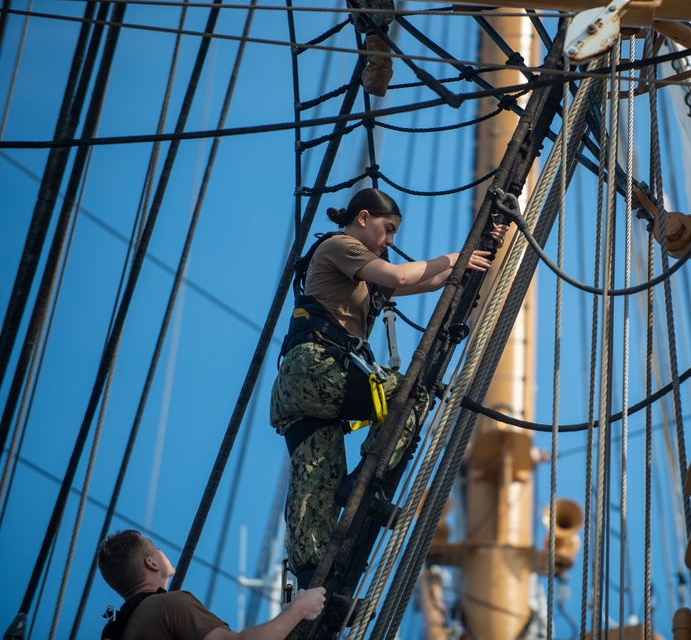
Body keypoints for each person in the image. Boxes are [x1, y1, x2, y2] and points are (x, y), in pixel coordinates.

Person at [269, 187, 505, 588]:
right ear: (363, 218)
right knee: (411, 393)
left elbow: (431, 282)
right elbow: (399, 275)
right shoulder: (342, 246)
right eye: (387, 229)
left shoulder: (359, 270)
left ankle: (312, 582)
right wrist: (455, 256)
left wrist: (479, 254)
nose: (391, 240)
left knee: (316, 484)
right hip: (318, 369)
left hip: (297, 387)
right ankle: (367, 474)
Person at [96, 529, 325, 640]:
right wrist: (300, 609)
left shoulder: (122, 630)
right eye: (155, 547)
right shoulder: (169, 605)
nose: (160, 550)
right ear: (152, 563)